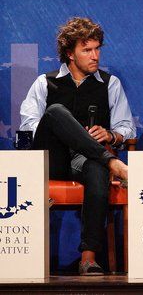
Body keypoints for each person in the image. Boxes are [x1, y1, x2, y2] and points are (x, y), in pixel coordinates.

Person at [19, 17, 133, 276]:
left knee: (97, 169)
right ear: (70, 54)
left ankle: (88, 258)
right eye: (87, 50)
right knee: (56, 112)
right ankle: (113, 162)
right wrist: (67, 131)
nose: (95, 56)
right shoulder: (45, 83)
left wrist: (111, 134)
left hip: (87, 158)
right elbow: (29, 128)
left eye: (97, 49)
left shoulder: (109, 83)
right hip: (52, 158)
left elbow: (127, 127)